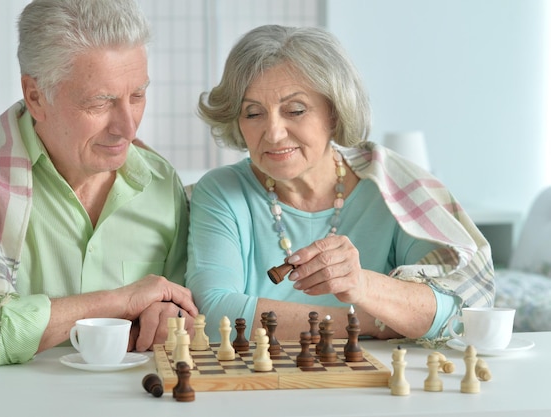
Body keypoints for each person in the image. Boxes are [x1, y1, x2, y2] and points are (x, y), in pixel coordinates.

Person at [0, 0, 197, 369]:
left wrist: (168, 316)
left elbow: (179, 306)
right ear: (36, 97)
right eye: (100, 103)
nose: (128, 128)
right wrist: (121, 300)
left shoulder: (161, 184)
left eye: (137, 96)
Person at [186, 25, 494, 343]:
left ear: (333, 113)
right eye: (253, 113)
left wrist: (362, 285)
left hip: (372, 387)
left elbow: (450, 312)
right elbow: (214, 313)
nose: (274, 133)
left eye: (295, 110)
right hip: (256, 384)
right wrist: (371, 321)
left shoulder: (389, 190)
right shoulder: (221, 191)